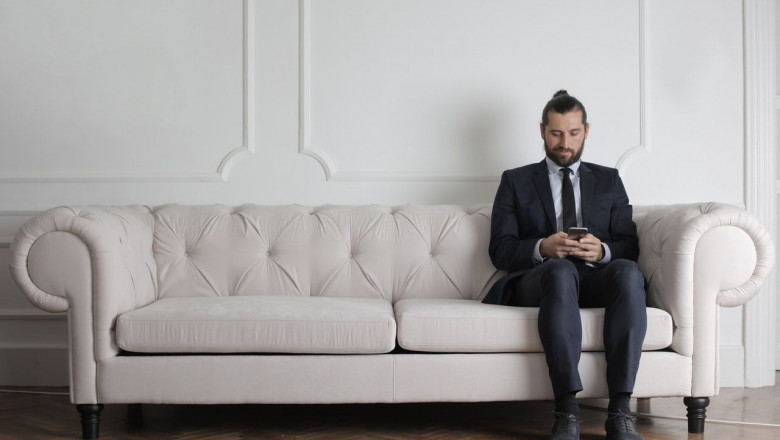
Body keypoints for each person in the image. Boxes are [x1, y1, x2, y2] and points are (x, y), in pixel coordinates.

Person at [483, 90, 647, 440]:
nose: (565, 143)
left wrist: (602, 251)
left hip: (594, 278)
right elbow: (500, 249)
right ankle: (567, 411)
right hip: (541, 279)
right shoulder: (515, 180)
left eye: (573, 133)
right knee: (560, 270)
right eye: (556, 133)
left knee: (628, 271)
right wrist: (542, 247)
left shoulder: (609, 180)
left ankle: (620, 411)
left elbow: (629, 245)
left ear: (586, 130)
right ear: (542, 131)